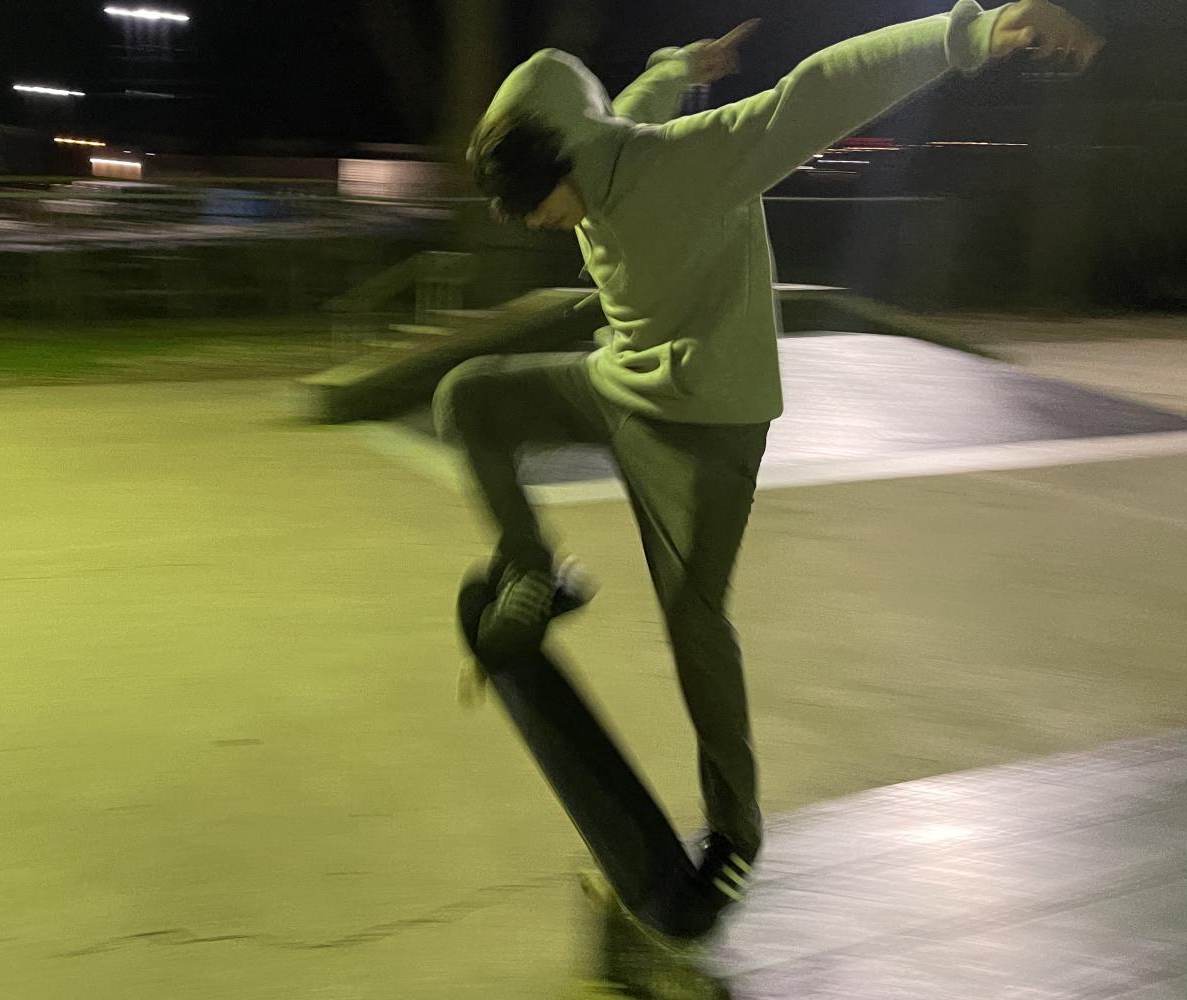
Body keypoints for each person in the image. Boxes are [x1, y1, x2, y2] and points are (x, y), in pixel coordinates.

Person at [436, 0, 1103, 990]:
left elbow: (820, 91)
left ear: (576, 152)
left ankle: (736, 830)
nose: (541, 220)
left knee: (693, 620)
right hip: (622, 382)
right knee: (467, 400)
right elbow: (640, 94)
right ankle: (541, 572)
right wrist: (684, 58)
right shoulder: (602, 136)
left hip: (706, 426)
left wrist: (974, 30)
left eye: (541, 200)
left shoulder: (697, 161)